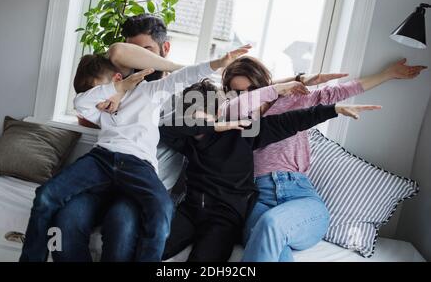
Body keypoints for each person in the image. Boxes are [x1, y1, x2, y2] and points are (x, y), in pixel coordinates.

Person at [19, 41, 246, 262]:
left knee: (161, 211)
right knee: (46, 195)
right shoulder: (103, 109)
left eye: (102, 92)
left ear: (119, 78)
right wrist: (113, 90)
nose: (100, 102)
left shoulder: (149, 92)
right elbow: (81, 103)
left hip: (138, 165)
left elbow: (185, 76)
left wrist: (218, 63)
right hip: (101, 160)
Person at [220, 56, 427, 262]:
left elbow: (339, 92)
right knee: (273, 242)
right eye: (239, 93)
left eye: (252, 89)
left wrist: (387, 74)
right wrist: (289, 81)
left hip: (300, 197)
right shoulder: (235, 120)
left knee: (271, 224)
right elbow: (234, 104)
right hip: (259, 198)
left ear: (262, 84)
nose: (248, 96)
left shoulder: (292, 102)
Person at [159, 79, 381, 262]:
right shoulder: (187, 141)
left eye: (202, 115)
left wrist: (333, 109)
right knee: (153, 246)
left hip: (224, 219)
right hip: (190, 210)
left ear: (218, 112)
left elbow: (289, 121)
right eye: (192, 118)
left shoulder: (243, 131)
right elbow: (164, 129)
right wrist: (210, 125)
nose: (198, 127)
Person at [51, 15, 191, 262]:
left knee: (122, 224)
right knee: (67, 218)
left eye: (145, 50)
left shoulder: (181, 94)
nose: (138, 60)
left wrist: (181, 71)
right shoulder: (119, 86)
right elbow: (115, 53)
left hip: (140, 189)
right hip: (103, 176)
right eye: (133, 51)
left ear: (164, 49)